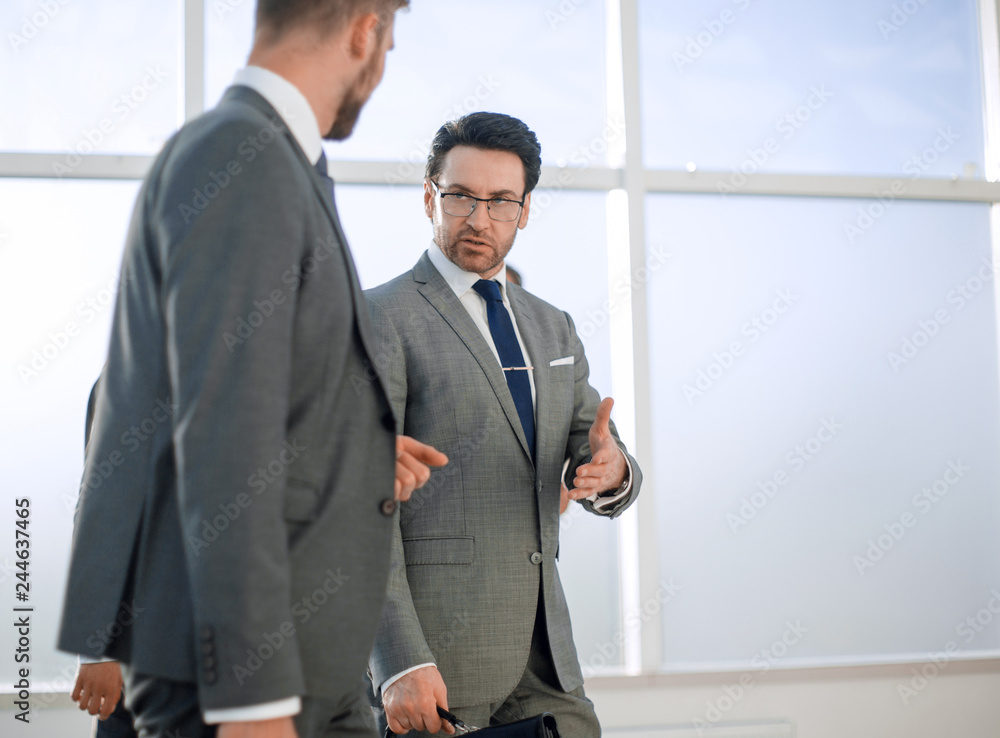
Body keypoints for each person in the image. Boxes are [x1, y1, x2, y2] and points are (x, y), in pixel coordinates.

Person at [57, 2, 447, 737]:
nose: (384, 66)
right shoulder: (243, 159)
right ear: (364, 29)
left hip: (307, 670)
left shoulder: (273, 160)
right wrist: (252, 703)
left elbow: (232, 401)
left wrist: (353, 455)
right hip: (251, 688)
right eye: (389, 43)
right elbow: (223, 444)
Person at [365, 112, 642, 738]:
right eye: (460, 196)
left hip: (546, 657)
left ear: (524, 211)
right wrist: (397, 659)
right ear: (430, 196)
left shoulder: (552, 325)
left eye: (500, 202)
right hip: (437, 660)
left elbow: (591, 440)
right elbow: (359, 505)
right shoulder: (380, 318)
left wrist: (611, 469)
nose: (479, 218)